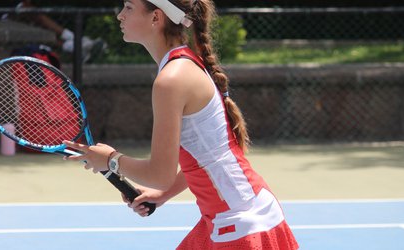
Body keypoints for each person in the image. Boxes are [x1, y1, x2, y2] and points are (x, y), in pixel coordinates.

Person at [64, 0, 299, 249]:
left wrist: (111, 159)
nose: (120, 16)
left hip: (241, 224)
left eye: (129, 7)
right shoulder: (183, 64)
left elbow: (159, 175)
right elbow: (208, 155)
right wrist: (163, 194)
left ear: (156, 17)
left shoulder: (171, 80)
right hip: (235, 216)